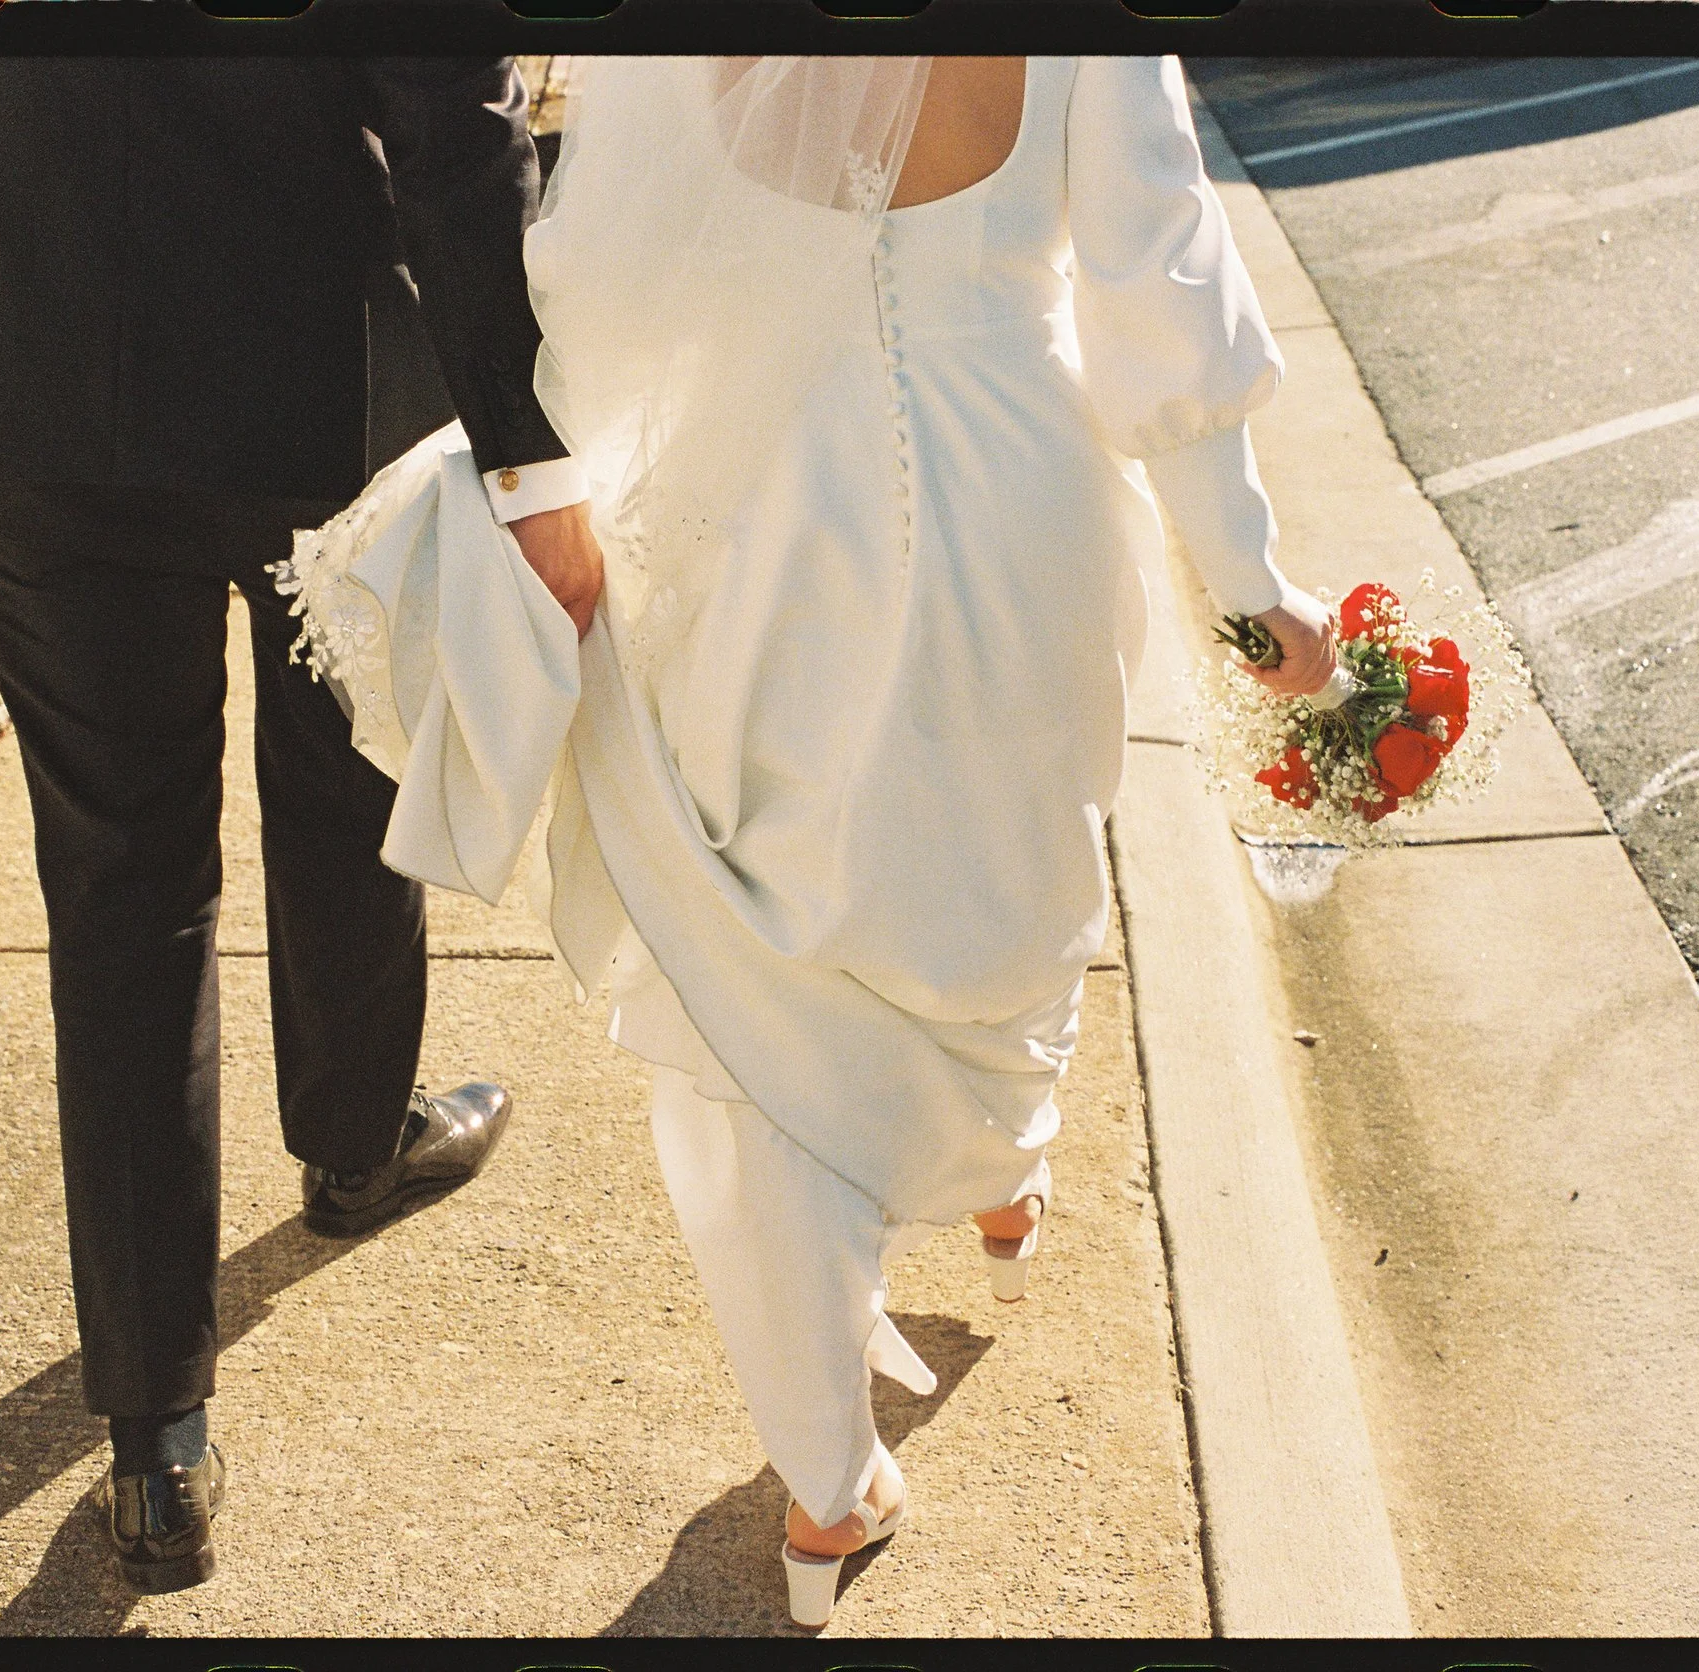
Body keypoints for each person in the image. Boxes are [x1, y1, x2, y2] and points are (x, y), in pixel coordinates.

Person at [513, 55, 1337, 1627]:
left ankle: (829, 1482)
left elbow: (595, 269)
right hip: (1016, 493)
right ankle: (1004, 1181)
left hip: (761, 522)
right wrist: (1249, 582)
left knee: (762, 951)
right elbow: (1157, 284)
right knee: (1004, 876)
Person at [0, 55, 605, 1594]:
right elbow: (455, 134)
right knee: (344, 783)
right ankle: (351, 1149)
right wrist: (527, 453)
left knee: (122, 888)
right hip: (310, 388)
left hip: (26, 387)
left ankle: (154, 1443)